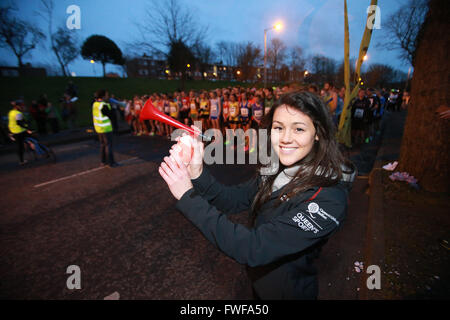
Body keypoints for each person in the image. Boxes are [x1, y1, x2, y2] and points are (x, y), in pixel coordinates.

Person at [158, 91, 356, 300]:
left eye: (299, 128)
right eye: (279, 128)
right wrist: (197, 171)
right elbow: (232, 200)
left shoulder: (329, 200)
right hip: (260, 285)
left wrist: (187, 196)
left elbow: (252, 247)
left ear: (318, 133)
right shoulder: (276, 169)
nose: (286, 138)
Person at [92, 89, 120, 168]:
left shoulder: (95, 104)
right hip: (106, 129)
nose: (108, 96)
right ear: (103, 96)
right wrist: (113, 108)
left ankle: (103, 161)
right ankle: (111, 163)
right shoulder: (104, 105)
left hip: (98, 128)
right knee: (109, 145)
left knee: (102, 145)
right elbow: (111, 116)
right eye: (107, 95)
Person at [8, 100, 33, 165]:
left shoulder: (11, 112)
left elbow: (21, 121)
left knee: (19, 146)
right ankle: (22, 161)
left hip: (13, 131)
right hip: (19, 131)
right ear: (17, 107)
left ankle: (21, 160)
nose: (22, 107)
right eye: (21, 106)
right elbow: (19, 123)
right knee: (21, 146)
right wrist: (27, 128)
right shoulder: (18, 113)